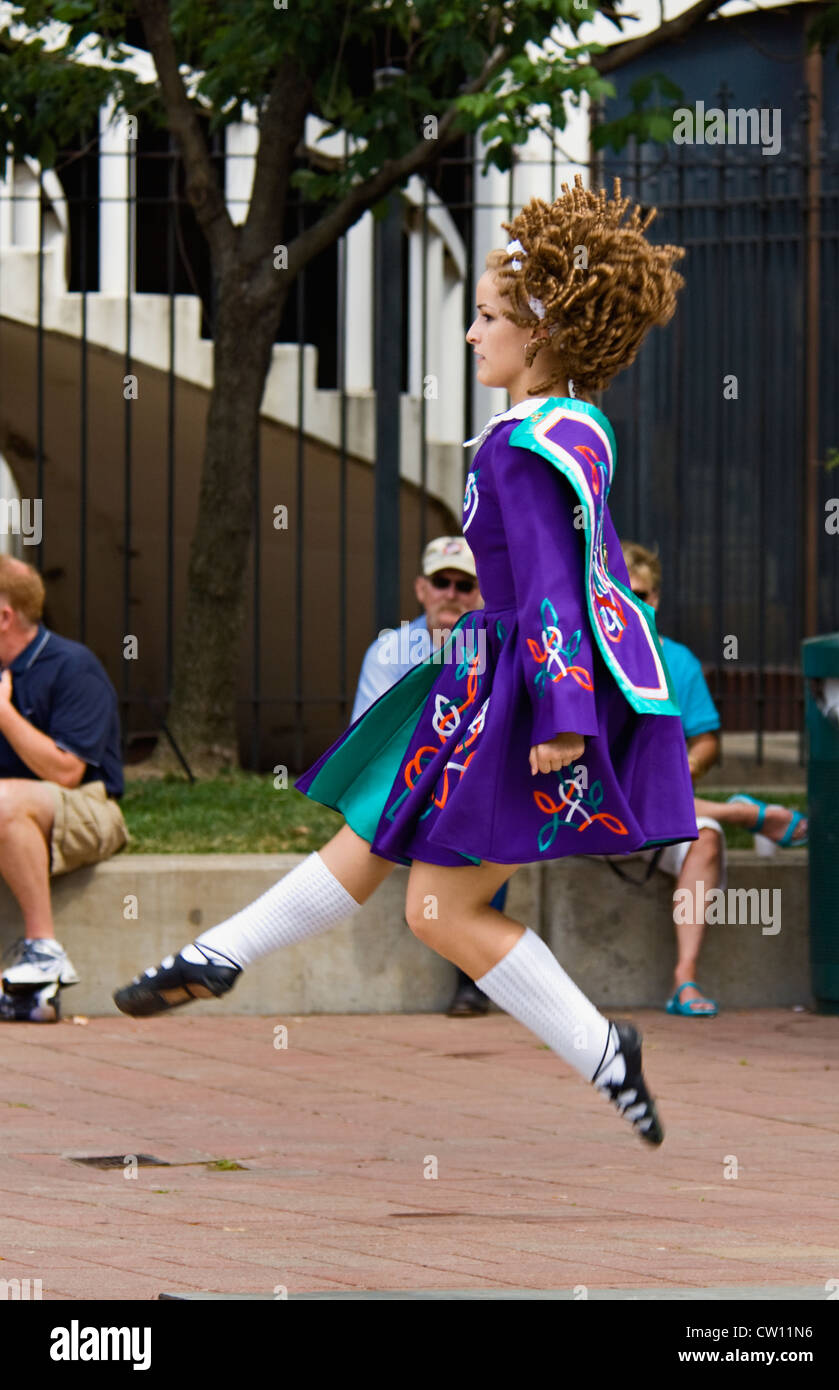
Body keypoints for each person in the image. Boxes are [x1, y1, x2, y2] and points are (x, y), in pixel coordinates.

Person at [114, 177, 699, 1148]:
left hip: (513, 686)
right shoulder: (570, 430)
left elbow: (554, 584)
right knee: (433, 901)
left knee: (401, 860)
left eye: (485, 318)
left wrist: (560, 718)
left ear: (541, 329)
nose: (471, 336)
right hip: (495, 676)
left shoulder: (525, 442)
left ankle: (220, 951)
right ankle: (604, 1052)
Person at [619, 542, 808, 1017]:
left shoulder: (676, 660)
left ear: (656, 600)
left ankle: (684, 980)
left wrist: (684, 770)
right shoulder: (583, 654)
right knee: (640, 795)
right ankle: (743, 812)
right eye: (621, 593)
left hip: (660, 815)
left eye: (640, 595)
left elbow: (706, 741)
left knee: (706, 836)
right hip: (587, 816)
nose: (631, 603)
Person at [352, 534, 501, 1016]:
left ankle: (473, 982)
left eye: (465, 584)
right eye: (442, 582)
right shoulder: (390, 650)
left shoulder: (495, 650)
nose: (452, 593)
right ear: (422, 588)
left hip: (466, 789)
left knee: (479, 817)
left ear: (480, 592)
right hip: (401, 789)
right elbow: (371, 742)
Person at [0, 557, 128, 1022]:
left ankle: (44, 951)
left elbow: (67, 771)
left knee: (4, 802)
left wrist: (4, 714)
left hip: (89, 809)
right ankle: (27, 995)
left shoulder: (74, 667)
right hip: (13, 811)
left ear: (4, 615)